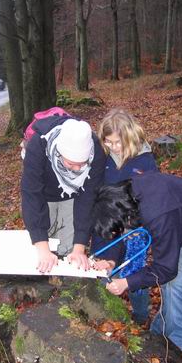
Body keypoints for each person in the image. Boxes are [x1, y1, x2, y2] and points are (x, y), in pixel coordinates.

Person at [91, 172, 182, 363]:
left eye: (122, 229)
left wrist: (127, 282)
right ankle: (159, 332)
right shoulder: (122, 197)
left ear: (124, 217)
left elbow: (166, 269)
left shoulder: (158, 212)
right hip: (179, 218)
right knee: (168, 283)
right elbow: (120, 234)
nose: (124, 233)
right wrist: (111, 261)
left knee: (178, 282)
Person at [95, 108, 158, 324]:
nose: (113, 147)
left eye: (118, 142)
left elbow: (152, 196)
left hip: (135, 226)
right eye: (109, 142)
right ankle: (107, 314)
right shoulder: (104, 158)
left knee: (133, 272)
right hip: (109, 222)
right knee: (105, 265)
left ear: (129, 136)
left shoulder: (144, 160)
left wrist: (138, 224)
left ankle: (140, 316)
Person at [21, 115, 106, 273]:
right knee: (42, 248)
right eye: (71, 164)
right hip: (44, 194)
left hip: (73, 195)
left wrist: (79, 248)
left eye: (82, 164)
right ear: (59, 153)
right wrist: (43, 248)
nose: (77, 169)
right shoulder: (38, 145)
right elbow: (32, 195)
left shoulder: (97, 151)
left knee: (67, 248)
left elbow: (88, 198)